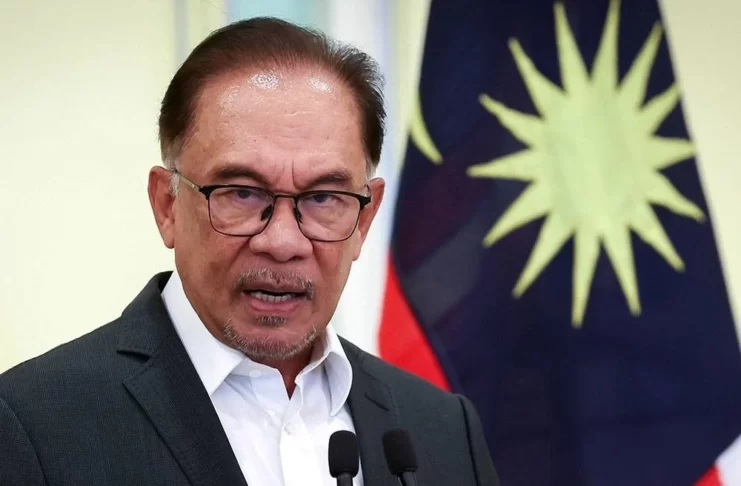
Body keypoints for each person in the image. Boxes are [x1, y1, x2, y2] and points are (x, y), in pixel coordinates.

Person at [0, 17, 498, 486]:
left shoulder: (443, 429)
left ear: (364, 220)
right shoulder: (34, 427)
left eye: (323, 198)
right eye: (241, 193)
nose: (282, 242)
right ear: (167, 205)